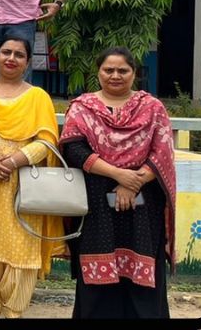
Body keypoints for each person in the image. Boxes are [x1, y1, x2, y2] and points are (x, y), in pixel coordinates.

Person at [61, 48, 176, 319]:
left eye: (123, 70)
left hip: (144, 204)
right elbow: (73, 149)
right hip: (96, 205)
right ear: (98, 72)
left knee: (143, 277)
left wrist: (131, 183)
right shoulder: (82, 108)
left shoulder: (152, 108)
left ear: (134, 73)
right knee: (97, 280)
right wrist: (118, 174)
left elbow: (162, 153)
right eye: (108, 70)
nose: (115, 75)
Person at [0, 37, 64, 319]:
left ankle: (12, 311)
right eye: (6, 52)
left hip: (24, 184)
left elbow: (47, 141)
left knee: (21, 248)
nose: (11, 58)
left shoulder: (38, 97)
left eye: (19, 54)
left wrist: (11, 162)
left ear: (27, 62)